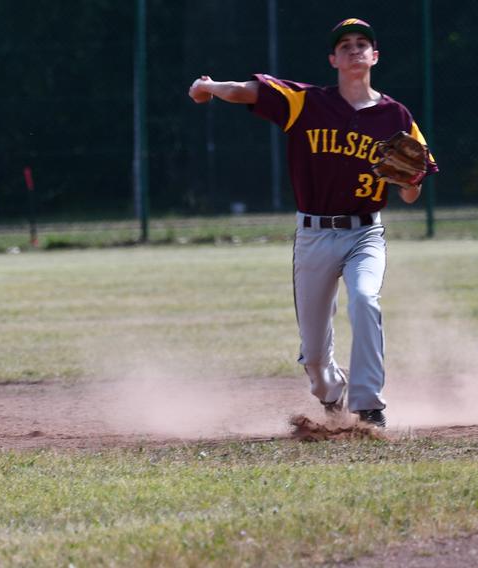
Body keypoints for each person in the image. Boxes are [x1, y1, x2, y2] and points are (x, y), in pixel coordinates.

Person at [188, 18, 438, 428]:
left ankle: (369, 406)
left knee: (364, 299)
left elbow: (413, 193)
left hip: (365, 232)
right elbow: (249, 91)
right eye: (345, 45)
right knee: (316, 356)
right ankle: (331, 395)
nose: (355, 50)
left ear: (375, 56)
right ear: (333, 59)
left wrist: (410, 182)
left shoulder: (397, 116)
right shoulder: (307, 103)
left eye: (363, 43)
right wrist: (210, 88)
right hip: (314, 235)